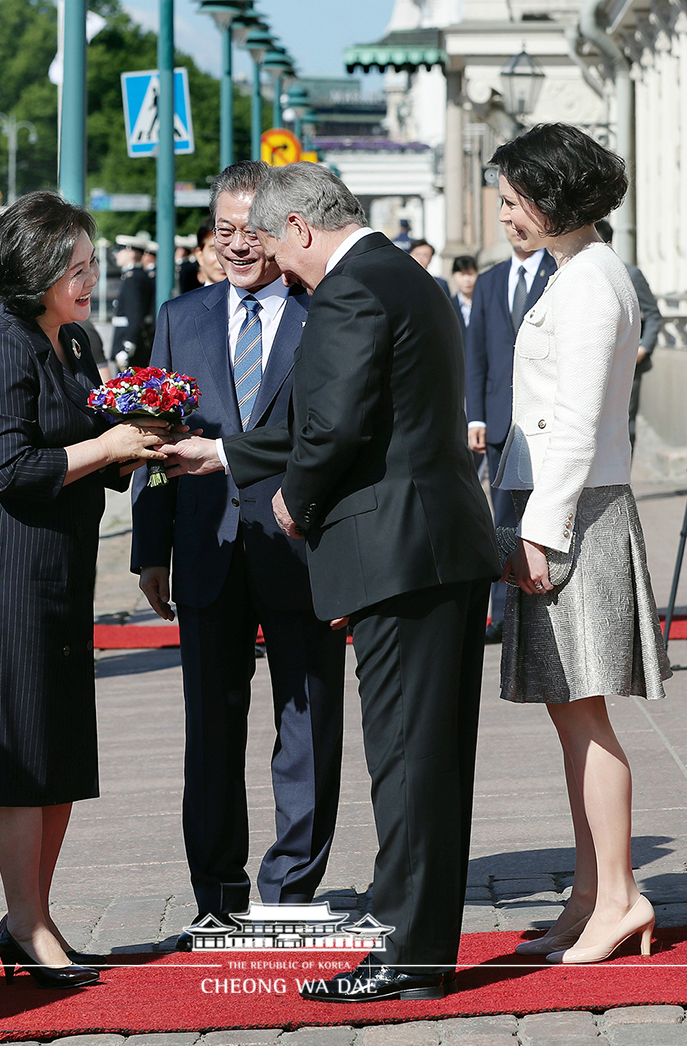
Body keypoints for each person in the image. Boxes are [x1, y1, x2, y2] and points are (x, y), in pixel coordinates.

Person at [160, 162, 499, 1002]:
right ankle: (421, 948)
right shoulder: (404, 276)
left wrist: (293, 501)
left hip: (396, 553)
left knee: (408, 764)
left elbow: (336, 423)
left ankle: (406, 960)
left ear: (303, 230)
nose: (276, 264)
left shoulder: (349, 289)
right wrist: (229, 453)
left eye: (275, 245)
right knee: (432, 760)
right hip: (433, 547)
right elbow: (352, 412)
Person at [0, 191, 170, 989]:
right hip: (11, 576)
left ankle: (33, 916)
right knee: (22, 755)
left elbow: (85, 443)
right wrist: (108, 444)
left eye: (90, 265)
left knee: (62, 753)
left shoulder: (72, 342)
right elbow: (9, 468)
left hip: (62, 570)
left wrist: (140, 443)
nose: (91, 279)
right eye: (77, 268)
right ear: (39, 271)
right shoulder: (2, 347)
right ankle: (29, 924)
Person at [131, 161, 346, 948]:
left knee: (310, 721)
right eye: (224, 230)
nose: (238, 245)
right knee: (211, 729)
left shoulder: (321, 310)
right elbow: (154, 435)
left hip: (301, 547)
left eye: (253, 229)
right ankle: (216, 892)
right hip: (207, 546)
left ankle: (289, 889)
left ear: (283, 229)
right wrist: (150, 550)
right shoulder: (181, 316)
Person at [492, 124, 670, 965]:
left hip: (576, 515)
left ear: (553, 196)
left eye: (513, 199)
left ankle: (622, 895)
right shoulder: (579, 274)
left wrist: (540, 531)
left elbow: (575, 424)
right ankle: (596, 890)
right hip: (565, 510)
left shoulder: (594, 280)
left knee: (587, 714)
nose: (505, 215)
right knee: (572, 715)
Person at [465, 220, 556, 644]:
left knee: (547, 515)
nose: (509, 223)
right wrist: (476, 418)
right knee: (502, 522)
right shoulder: (489, 280)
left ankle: (549, 606)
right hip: (501, 422)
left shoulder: (558, 273)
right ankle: (501, 613)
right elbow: (476, 352)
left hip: (547, 420)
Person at [595, 219, 662, 452]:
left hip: (628, 364)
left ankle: (623, 483)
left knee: (625, 425)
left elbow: (653, 314)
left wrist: (642, 350)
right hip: (593, 363)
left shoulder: (630, 274)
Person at [110, 238, 154, 369]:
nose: (116, 254)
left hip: (129, 345)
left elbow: (135, 317)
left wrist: (127, 347)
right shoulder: (135, 276)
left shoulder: (133, 279)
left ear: (131, 253)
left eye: (120, 250)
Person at [450, 254, 478, 348]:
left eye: (470, 274)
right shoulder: (449, 306)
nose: (467, 279)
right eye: (462, 274)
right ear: (453, 275)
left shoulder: (484, 304)